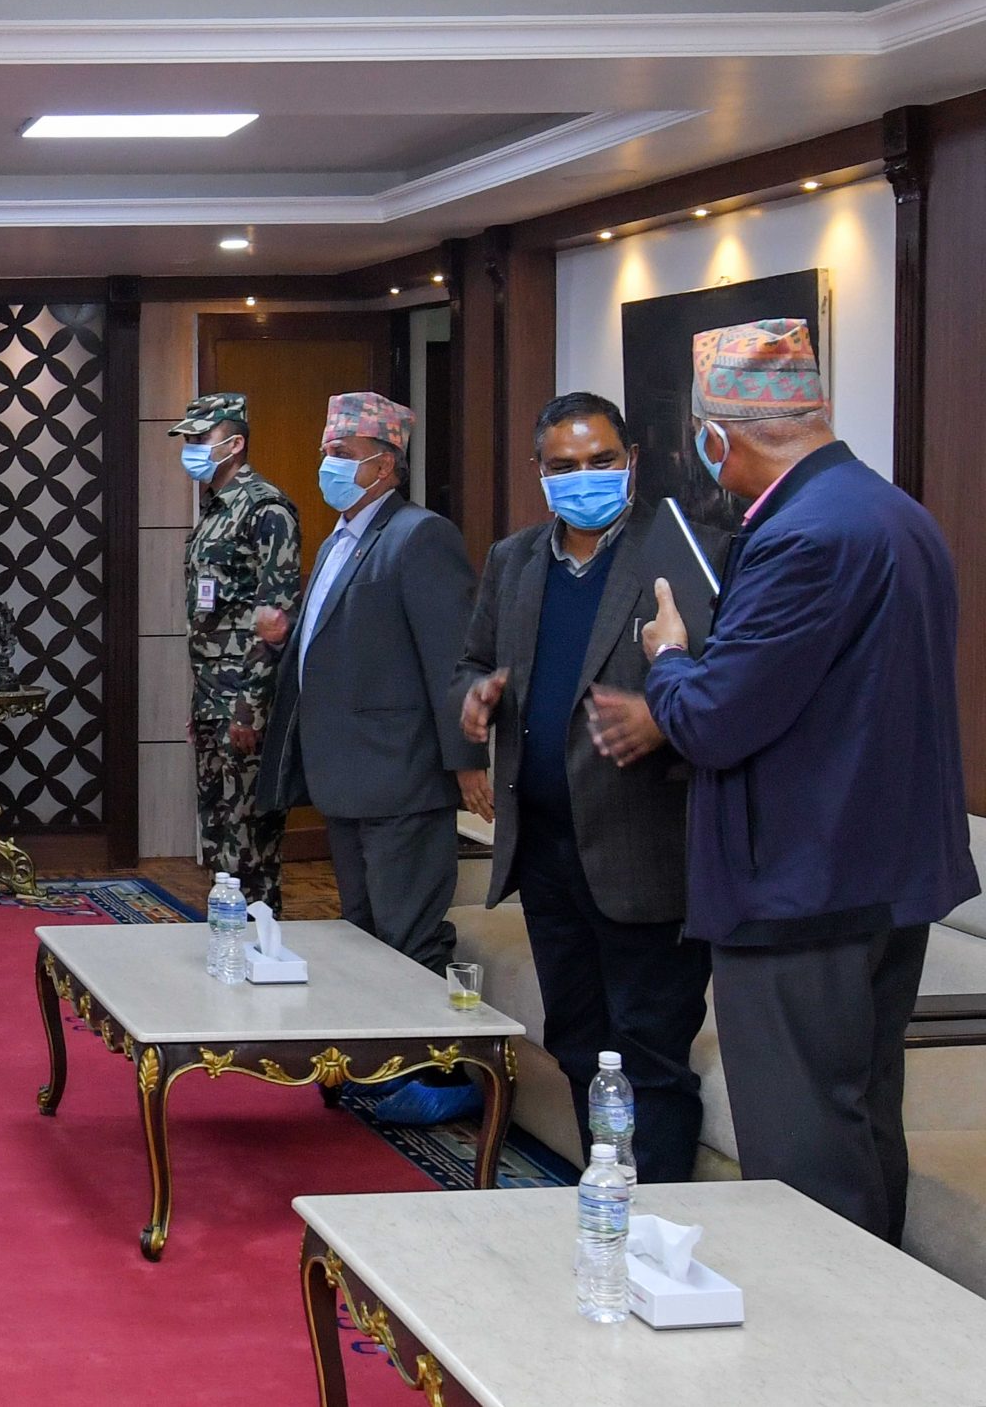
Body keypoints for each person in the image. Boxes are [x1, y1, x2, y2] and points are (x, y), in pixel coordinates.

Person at [643, 320, 972, 1240]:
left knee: (805, 1164)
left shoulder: (803, 537)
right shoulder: (895, 512)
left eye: (702, 438)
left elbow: (712, 719)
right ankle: (880, 1315)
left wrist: (669, 657)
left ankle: (825, 1324)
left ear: (722, 435)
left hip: (801, 887)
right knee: (861, 1123)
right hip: (878, 878)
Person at [453, 392, 719, 1181]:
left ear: (631, 460)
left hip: (645, 853)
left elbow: (727, 686)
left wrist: (664, 716)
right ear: (539, 472)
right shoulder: (514, 560)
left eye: (601, 460)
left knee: (648, 1052)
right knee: (577, 1039)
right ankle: (604, 1189)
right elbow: (473, 659)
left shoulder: (683, 552)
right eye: (564, 465)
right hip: (544, 850)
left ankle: (660, 1215)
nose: (584, 477)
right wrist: (475, 695)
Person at [257, 392, 485, 1123]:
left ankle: (436, 1078)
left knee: (410, 935)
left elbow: (452, 658)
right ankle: (375, 1065)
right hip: (347, 774)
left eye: (341, 454)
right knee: (362, 933)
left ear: (383, 465)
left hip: (403, 774)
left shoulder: (420, 537)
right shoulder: (338, 540)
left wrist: (467, 761)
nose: (326, 464)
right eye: (327, 451)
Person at [170, 392, 302, 913]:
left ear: (234, 443)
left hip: (246, 704)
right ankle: (225, 936)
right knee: (219, 831)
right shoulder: (213, 511)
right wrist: (201, 705)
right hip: (212, 701)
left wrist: (249, 707)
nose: (191, 449)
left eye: (200, 439)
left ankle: (258, 937)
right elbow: (211, 622)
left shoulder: (266, 510)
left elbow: (275, 621)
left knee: (249, 840)